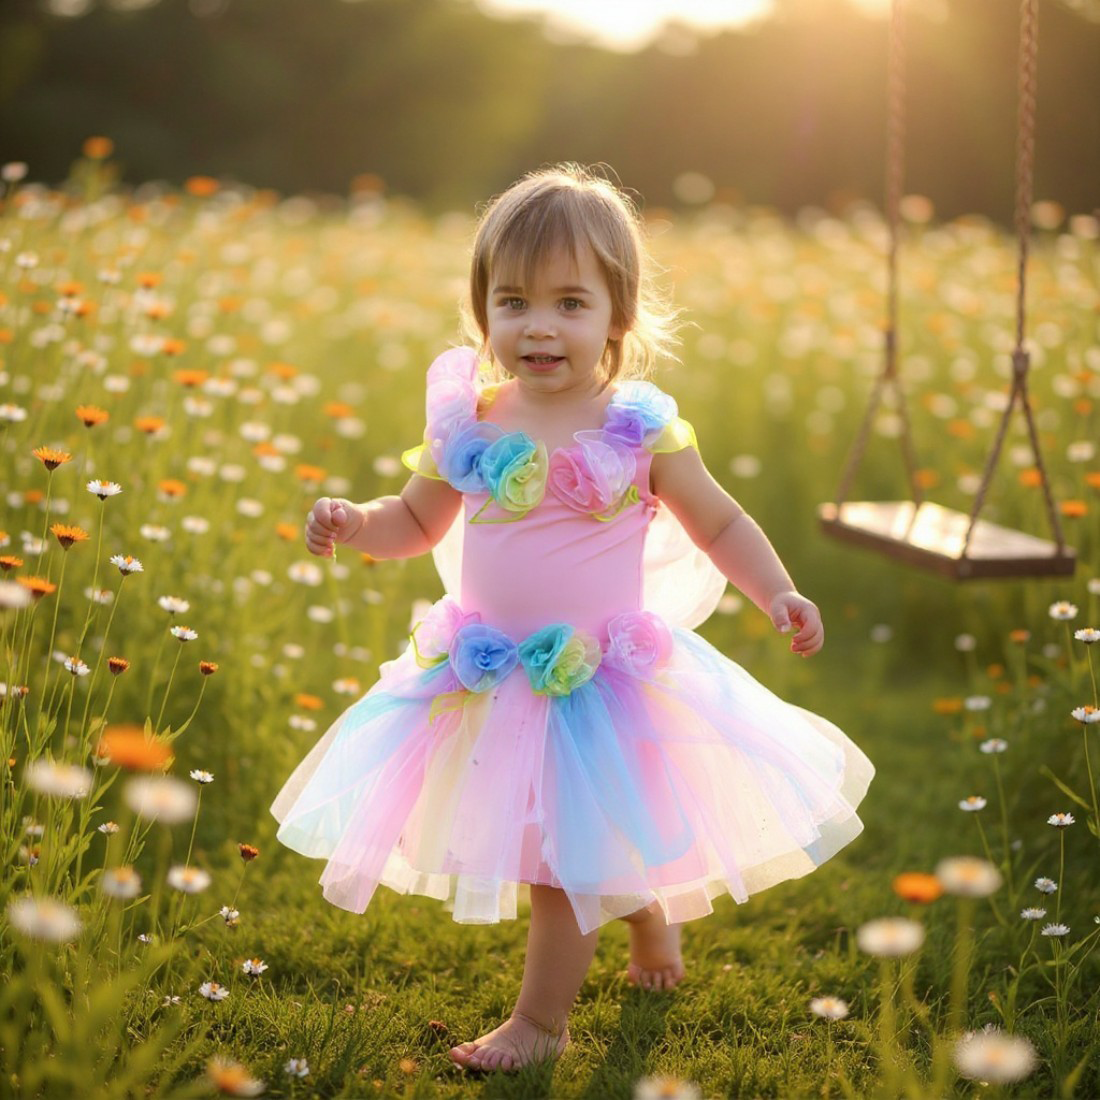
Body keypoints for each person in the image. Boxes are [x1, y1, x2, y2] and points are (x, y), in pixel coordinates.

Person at [271, 163, 874, 1074]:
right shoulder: (468, 421)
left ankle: (540, 1025)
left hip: (595, 680)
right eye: (512, 301)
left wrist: (778, 590)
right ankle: (648, 917)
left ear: (616, 315)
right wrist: (356, 523)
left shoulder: (637, 428)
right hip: (491, 671)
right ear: (484, 314)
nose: (538, 325)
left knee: (559, 858)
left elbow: (719, 522)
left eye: (568, 302)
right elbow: (414, 523)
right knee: (571, 838)